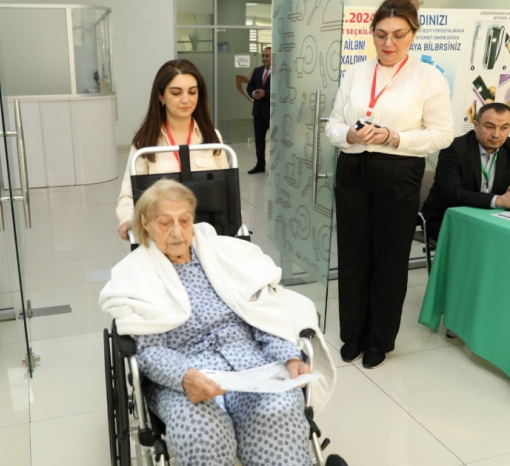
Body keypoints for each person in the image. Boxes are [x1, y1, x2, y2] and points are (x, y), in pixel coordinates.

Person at [100, 179, 336, 466]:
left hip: (249, 364)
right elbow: (148, 351)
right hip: (184, 376)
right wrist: (184, 375)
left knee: (280, 409)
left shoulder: (225, 257)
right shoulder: (136, 275)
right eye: (165, 223)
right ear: (145, 223)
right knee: (201, 432)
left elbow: (262, 313)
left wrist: (288, 356)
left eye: (184, 221)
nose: (177, 232)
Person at [325, 0, 454, 369]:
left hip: (398, 171)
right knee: (353, 256)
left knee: (390, 260)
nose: (389, 43)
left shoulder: (428, 78)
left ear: (413, 34)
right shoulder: (355, 72)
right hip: (353, 166)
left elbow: (443, 134)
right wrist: (348, 133)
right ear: (372, 34)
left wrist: (396, 138)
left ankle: (379, 340)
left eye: (399, 35)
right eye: (381, 35)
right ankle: (353, 335)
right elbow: (332, 125)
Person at [116, 59, 227, 240]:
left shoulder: (213, 138)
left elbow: (227, 188)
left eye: (192, 92)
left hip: (208, 234)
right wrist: (127, 219)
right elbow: (128, 194)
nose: (186, 100)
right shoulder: (145, 143)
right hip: (162, 236)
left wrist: (237, 217)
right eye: (176, 93)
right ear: (161, 96)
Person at [421, 103, 510, 241]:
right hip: (448, 217)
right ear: (476, 125)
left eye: (504, 128)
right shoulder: (454, 148)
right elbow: (453, 195)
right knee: (489, 240)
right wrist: (499, 200)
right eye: (489, 127)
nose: (496, 134)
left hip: (490, 218)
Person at [246, 47, 272, 174]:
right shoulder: (258, 70)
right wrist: (252, 93)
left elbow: (283, 89)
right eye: (263, 56)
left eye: (267, 56)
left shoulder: (280, 71)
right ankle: (260, 164)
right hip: (258, 112)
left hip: (273, 113)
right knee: (259, 140)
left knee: (277, 141)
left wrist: (265, 93)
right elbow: (249, 86)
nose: (264, 58)